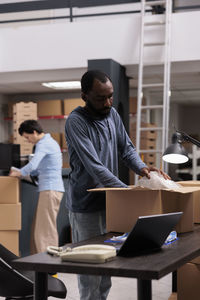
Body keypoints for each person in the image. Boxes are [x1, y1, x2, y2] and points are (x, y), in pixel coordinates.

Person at [65, 70, 169, 300]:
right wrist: (128, 192)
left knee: (107, 265)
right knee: (90, 270)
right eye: (101, 98)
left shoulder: (112, 114)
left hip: (109, 202)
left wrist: (142, 168)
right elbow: (95, 167)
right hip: (85, 206)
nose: (108, 102)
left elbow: (127, 149)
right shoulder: (76, 122)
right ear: (85, 96)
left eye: (110, 96)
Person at [9, 119, 64, 254]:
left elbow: (33, 165)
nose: (28, 141)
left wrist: (19, 172)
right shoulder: (48, 142)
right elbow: (36, 169)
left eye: (27, 137)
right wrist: (19, 171)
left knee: (45, 230)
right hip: (49, 189)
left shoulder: (44, 144)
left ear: (34, 132)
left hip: (50, 189)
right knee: (38, 228)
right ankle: (37, 262)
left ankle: (49, 266)